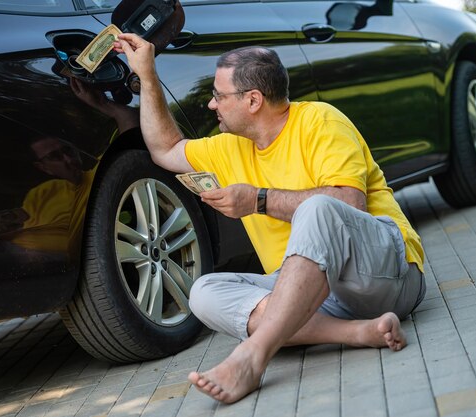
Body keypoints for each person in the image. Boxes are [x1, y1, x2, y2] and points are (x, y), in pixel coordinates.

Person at [114, 33, 426, 404]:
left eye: (219, 95)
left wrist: (257, 200)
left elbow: (349, 202)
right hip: (312, 295)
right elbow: (165, 149)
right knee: (204, 293)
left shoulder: (321, 122)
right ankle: (357, 333)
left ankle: (252, 357)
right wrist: (147, 75)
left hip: (386, 275)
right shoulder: (229, 146)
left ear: (253, 100)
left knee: (318, 207)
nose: (212, 104)